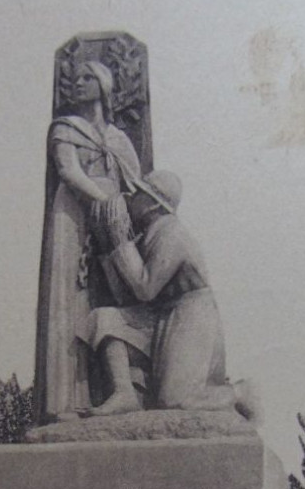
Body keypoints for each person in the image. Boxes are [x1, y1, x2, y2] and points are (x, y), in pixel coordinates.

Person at [85, 170, 249, 416]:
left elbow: (144, 288)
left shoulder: (172, 234)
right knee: (104, 319)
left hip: (190, 315)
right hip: (159, 313)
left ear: (152, 203)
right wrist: (107, 244)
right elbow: (124, 297)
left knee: (175, 401)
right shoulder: (148, 234)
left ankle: (238, 393)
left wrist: (120, 241)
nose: (131, 197)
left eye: (138, 193)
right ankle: (124, 393)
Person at [34, 60, 142, 422]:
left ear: (104, 85)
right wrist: (103, 201)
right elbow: (69, 171)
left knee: (116, 297)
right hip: (74, 218)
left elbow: (136, 185)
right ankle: (65, 403)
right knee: (71, 300)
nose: (77, 84)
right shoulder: (65, 128)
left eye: (87, 78)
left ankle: (126, 390)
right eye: (75, 78)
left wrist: (120, 215)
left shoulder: (119, 139)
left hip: (112, 222)